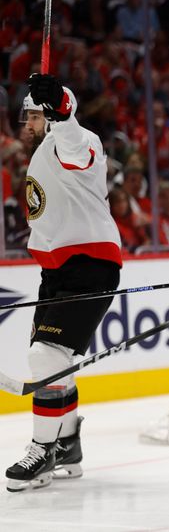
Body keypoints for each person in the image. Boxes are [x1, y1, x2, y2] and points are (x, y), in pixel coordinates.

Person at [6, 74, 122, 492]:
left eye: (33, 115)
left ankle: (42, 449)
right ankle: (67, 445)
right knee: (56, 363)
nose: (26, 124)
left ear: (53, 115)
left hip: (89, 265)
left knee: (44, 357)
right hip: (57, 272)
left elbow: (73, 142)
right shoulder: (42, 151)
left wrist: (62, 107)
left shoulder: (78, 140)